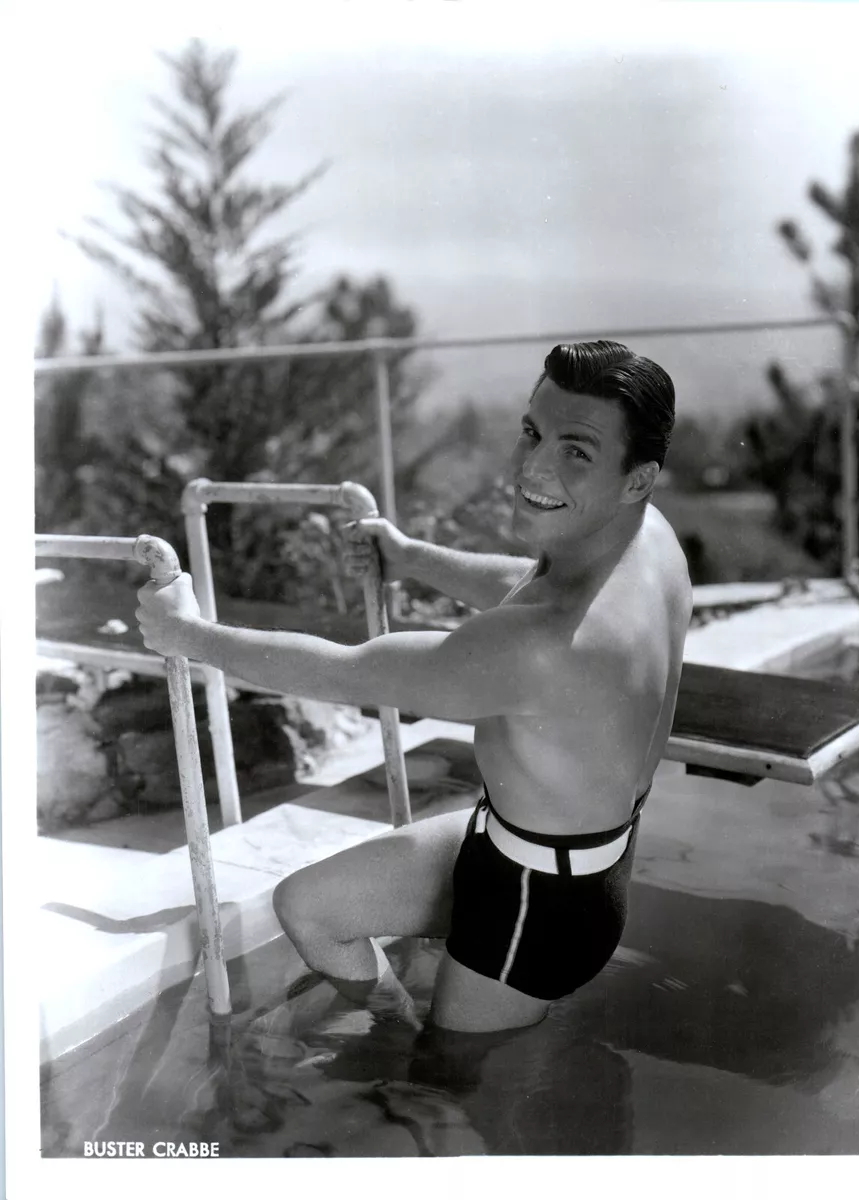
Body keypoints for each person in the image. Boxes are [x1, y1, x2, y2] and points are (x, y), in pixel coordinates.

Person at [136, 340, 692, 1035]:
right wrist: (415, 559)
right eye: (532, 431)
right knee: (311, 908)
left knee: (445, 1095)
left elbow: (343, 671)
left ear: (636, 478)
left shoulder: (544, 646)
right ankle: (392, 1026)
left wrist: (186, 636)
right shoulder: (648, 542)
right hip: (541, 849)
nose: (533, 466)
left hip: (539, 910)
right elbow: (531, 586)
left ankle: (414, 1066)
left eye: (575, 450)